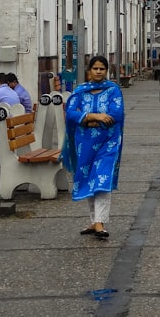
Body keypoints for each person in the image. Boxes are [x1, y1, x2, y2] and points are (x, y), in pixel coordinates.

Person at [61, 55, 123, 240]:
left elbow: (116, 114)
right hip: (85, 144)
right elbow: (71, 113)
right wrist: (93, 117)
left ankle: (100, 223)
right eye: (95, 68)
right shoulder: (80, 91)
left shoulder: (113, 90)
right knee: (89, 178)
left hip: (108, 142)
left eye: (102, 69)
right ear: (89, 71)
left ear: (106, 71)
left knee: (102, 178)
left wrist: (96, 121)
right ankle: (94, 220)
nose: (98, 72)